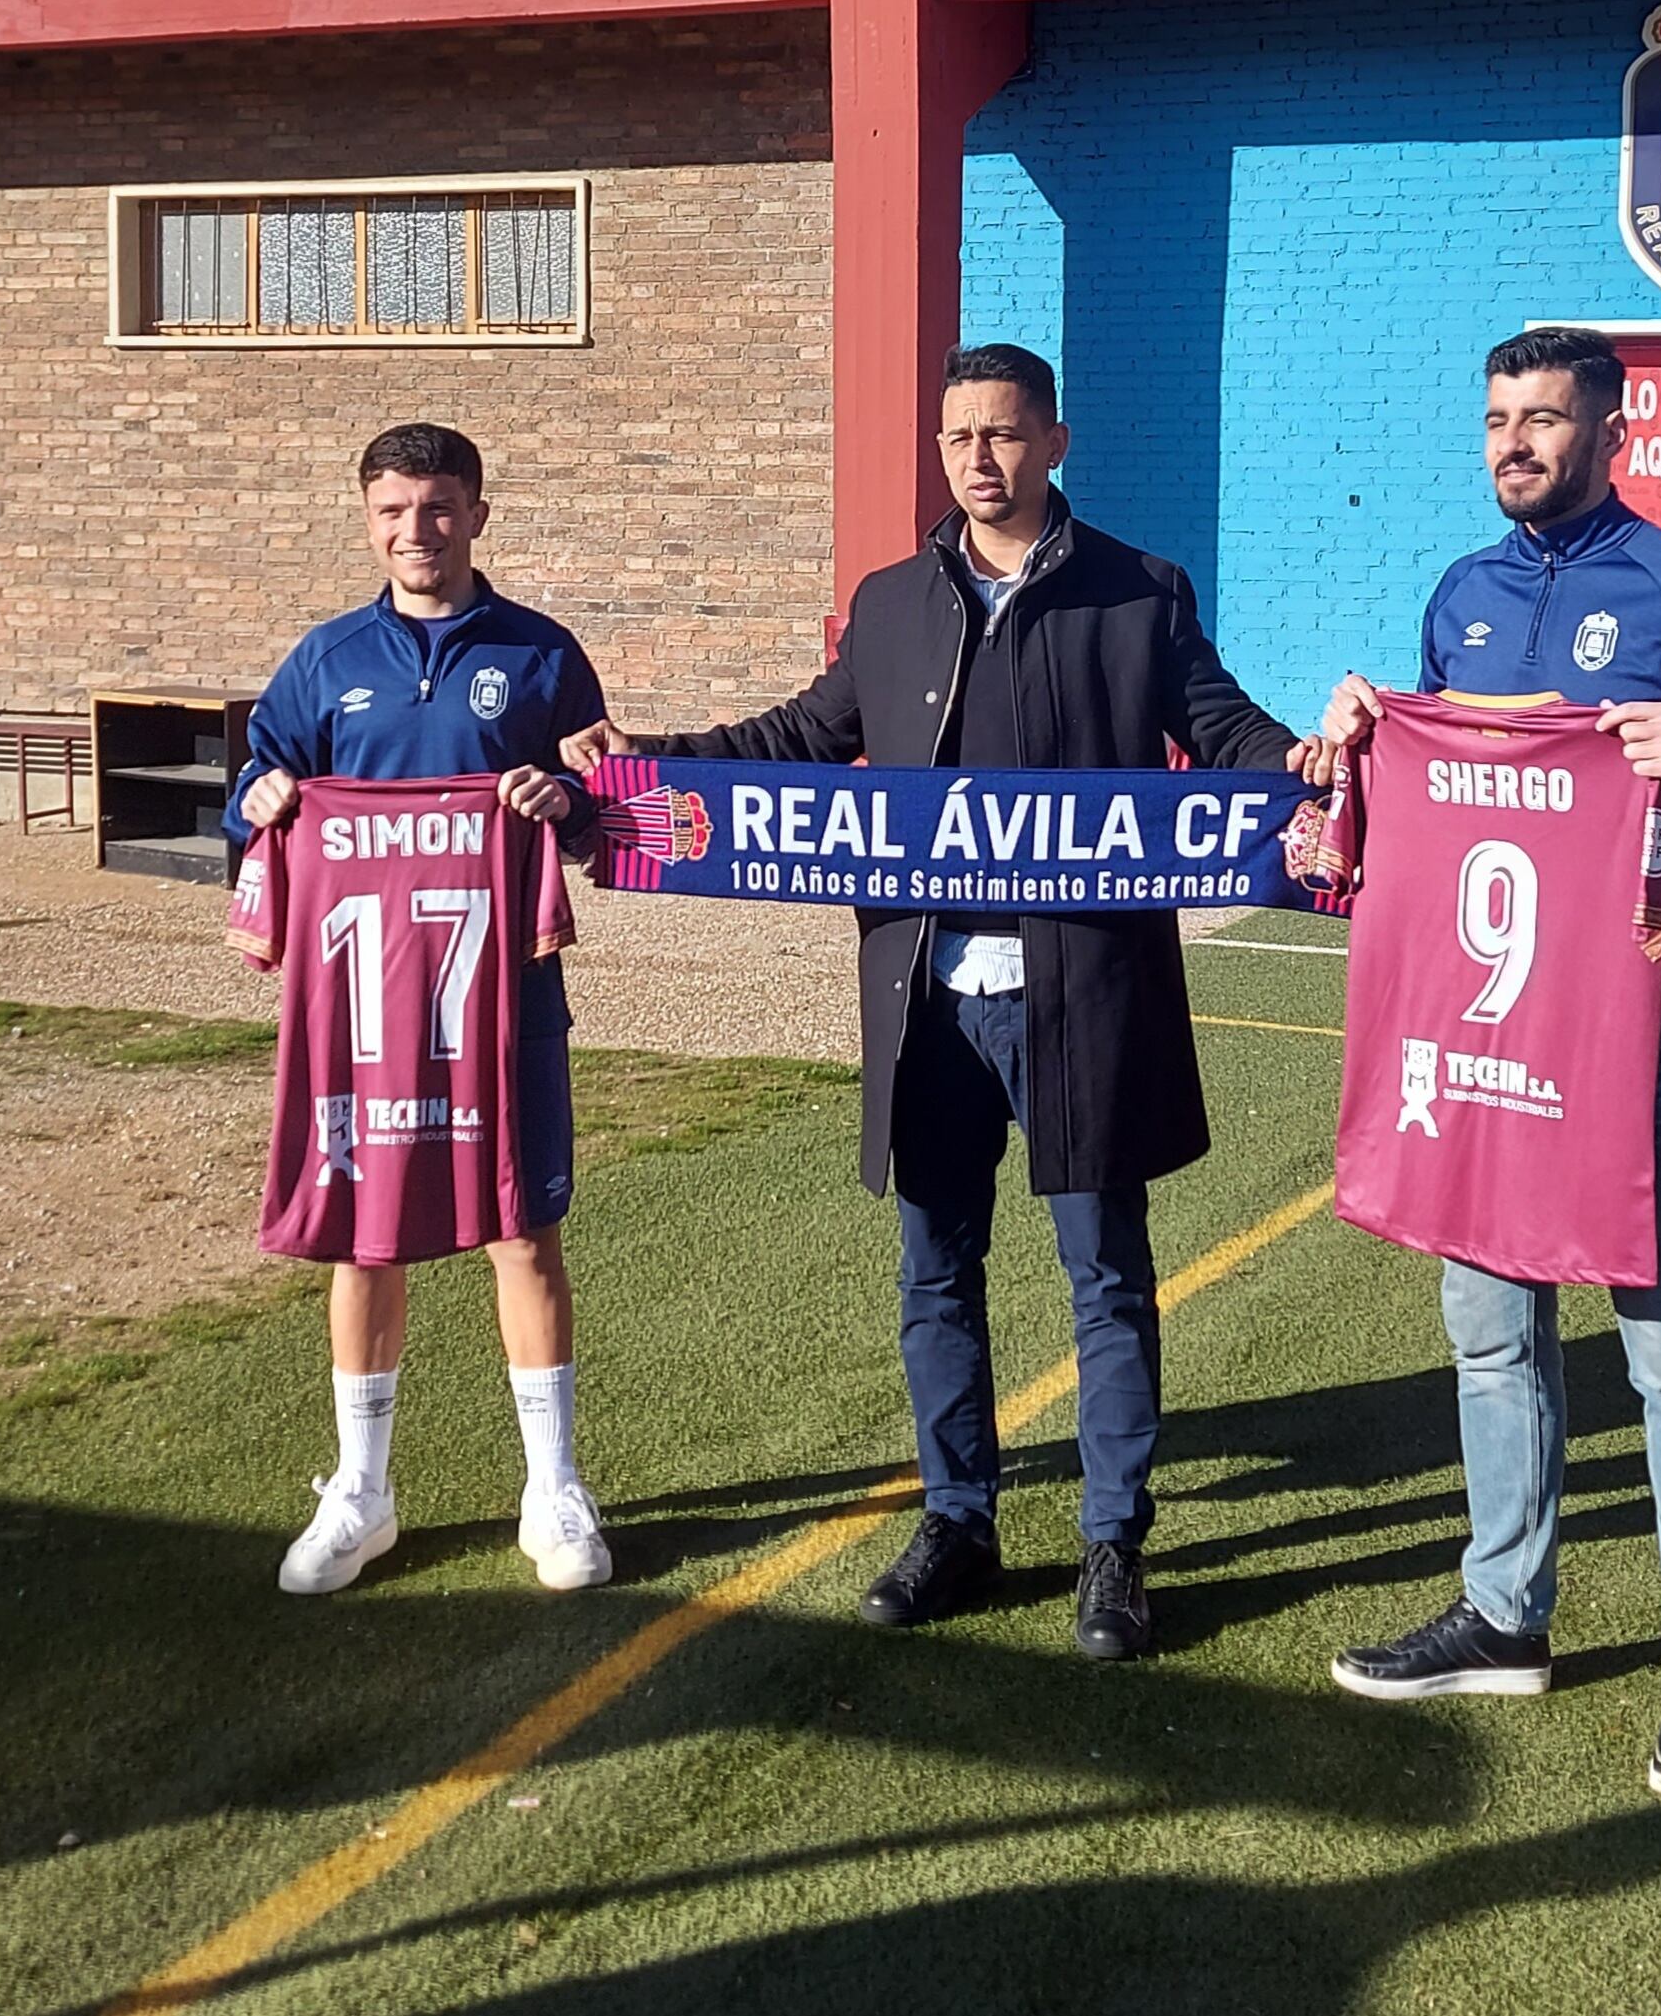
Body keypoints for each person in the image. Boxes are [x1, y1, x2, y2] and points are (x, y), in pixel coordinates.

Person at [562, 343, 1320, 1662]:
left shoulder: (1139, 591)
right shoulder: (891, 599)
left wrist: (1300, 765)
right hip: (928, 1000)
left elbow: (1223, 726)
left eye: (1007, 434)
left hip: (1081, 993)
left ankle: (1111, 1546)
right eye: (959, 436)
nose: (981, 457)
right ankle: (959, 1522)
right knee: (934, 1272)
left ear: (1055, 442)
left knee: (1106, 1277)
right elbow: (802, 735)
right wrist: (654, 758)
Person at [1319, 325, 1661, 1802]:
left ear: (1611, 432)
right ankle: (1505, 1612)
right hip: (1484, 1039)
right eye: (1496, 418)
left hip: (1635, 1046)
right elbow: (1442, 800)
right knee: (1490, 1331)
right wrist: (1360, 740)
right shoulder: (1460, 596)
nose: (1514, 443)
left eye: (1544, 419)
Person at [229, 423, 613, 1599]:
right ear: (367, 519)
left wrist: (567, 800)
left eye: (439, 507)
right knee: (363, 1229)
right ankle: (362, 1488)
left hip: (507, 998)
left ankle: (551, 1483)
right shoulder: (323, 658)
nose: (417, 530)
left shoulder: (543, 656)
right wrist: (270, 794)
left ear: (478, 513)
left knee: (521, 1225)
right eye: (394, 510)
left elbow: (609, 816)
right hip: (359, 1012)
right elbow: (246, 794)